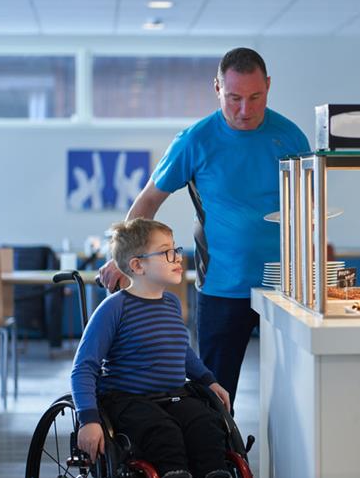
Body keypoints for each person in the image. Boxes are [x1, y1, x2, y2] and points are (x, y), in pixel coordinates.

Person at [99, 47, 310, 404]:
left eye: (255, 97)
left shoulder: (290, 137)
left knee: (295, 395)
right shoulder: (195, 140)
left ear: (269, 86)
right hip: (223, 289)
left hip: (286, 288)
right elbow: (149, 200)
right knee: (214, 394)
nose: (245, 110)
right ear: (217, 88)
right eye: (234, 98)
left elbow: (310, 211)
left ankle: (285, 462)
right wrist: (123, 259)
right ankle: (217, 460)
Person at [72, 218, 233, 478]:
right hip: (127, 399)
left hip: (173, 395)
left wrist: (210, 381)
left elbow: (181, 352)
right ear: (137, 265)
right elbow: (84, 367)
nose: (178, 258)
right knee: (163, 431)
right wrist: (89, 419)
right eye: (166, 252)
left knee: (206, 424)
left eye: (176, 249)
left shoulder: (171, 303)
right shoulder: (114, 308)